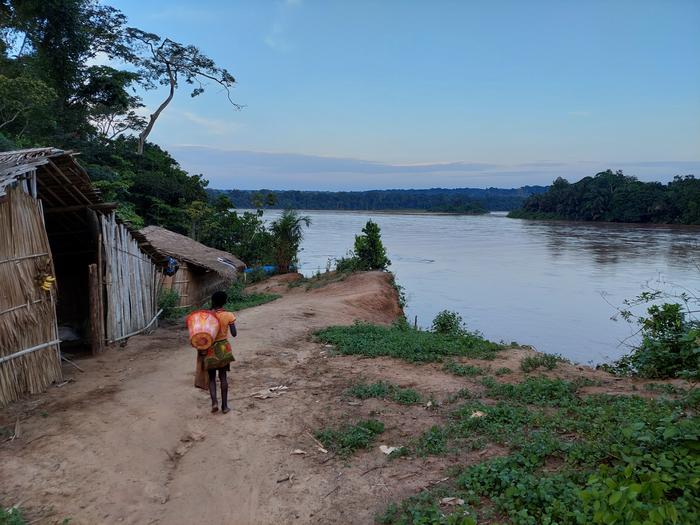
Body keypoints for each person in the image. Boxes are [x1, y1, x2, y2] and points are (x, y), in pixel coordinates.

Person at [201, 290, 237, 414]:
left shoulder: (208, 316)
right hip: (223, 348)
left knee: (211, 378)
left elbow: (203, 333)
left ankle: (214, 403)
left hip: (210, 348)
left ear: (213, 301)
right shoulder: (229, 315)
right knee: (223, 377)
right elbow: (234, 334)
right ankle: (225, 406)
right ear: (224, 302)